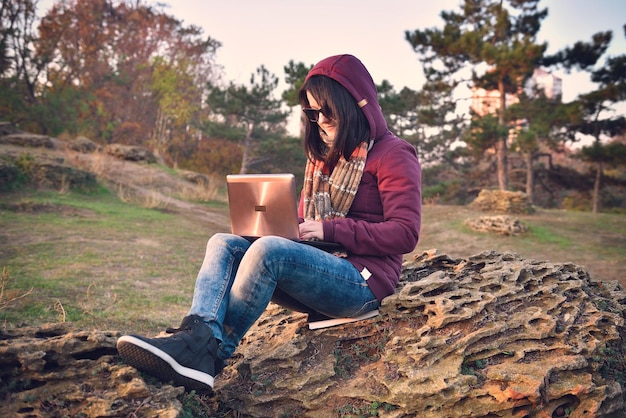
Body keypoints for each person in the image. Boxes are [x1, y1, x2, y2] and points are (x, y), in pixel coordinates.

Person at [116, 54, 422, 392]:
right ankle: (196, 335)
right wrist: (279, 225)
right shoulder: (322, 158)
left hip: (363, 283)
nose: (319, 120)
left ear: (354, 103)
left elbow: (405, 233)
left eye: (327, 111)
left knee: (268, 252)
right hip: (320, 270)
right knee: (225, 242)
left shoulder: (394, 154)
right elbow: (309, 223)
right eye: (311, 112)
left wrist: (330, 230)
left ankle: (210, 356)